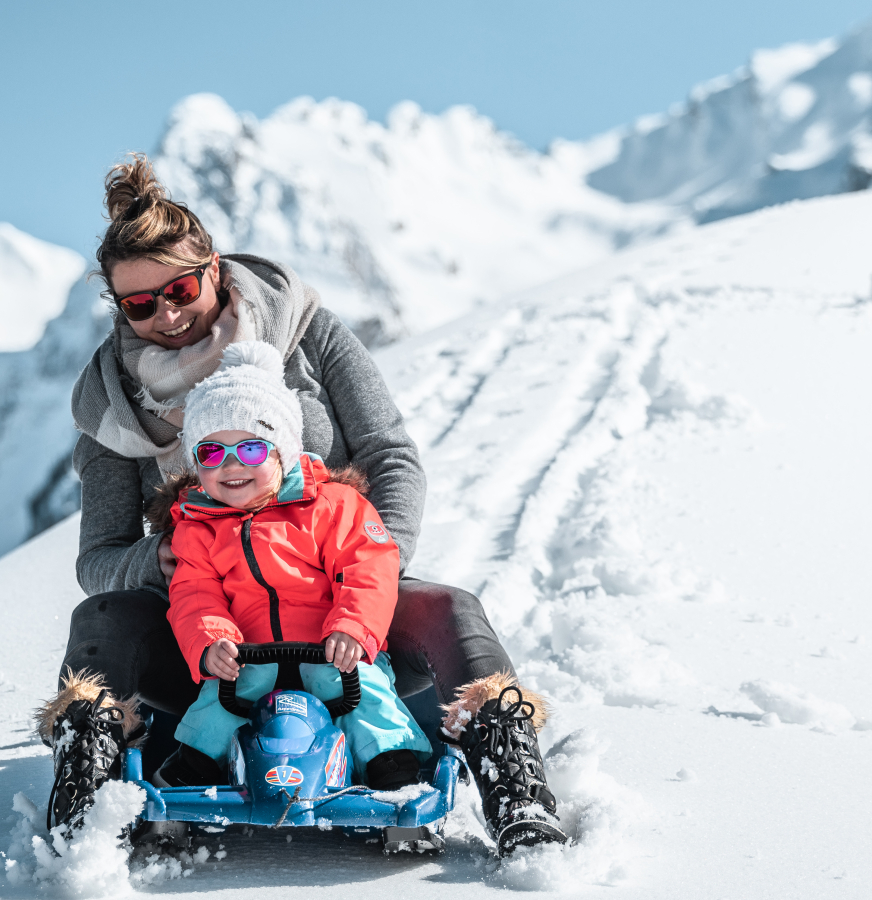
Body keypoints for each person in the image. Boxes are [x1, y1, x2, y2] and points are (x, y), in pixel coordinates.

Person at [34, 153, 566, 855]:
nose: (165, 313)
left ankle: (514, 787)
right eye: (139, 303)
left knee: (451, 609)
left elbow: (388, 453)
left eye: (181, 289)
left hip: (347, 614)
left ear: (215, 270)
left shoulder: (305, 329)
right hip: (211, 633)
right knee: (101, 617)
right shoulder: (110, 407)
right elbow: (98, 560)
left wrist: (366, 561)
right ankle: (91, 796)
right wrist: (162, 561)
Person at [153, 340, 432, 791]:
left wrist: (353, 629)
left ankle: (392, 763)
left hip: (328, 647)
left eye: (251, 450)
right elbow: (194, 594)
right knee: (220, 701)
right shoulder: (197, 526)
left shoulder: (333, 506)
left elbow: (368, 568)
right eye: (211, 453)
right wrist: (212, 642)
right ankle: (195, 765)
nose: (231, 466)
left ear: (282, 450)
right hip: (249, 653)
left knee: (362, 691)